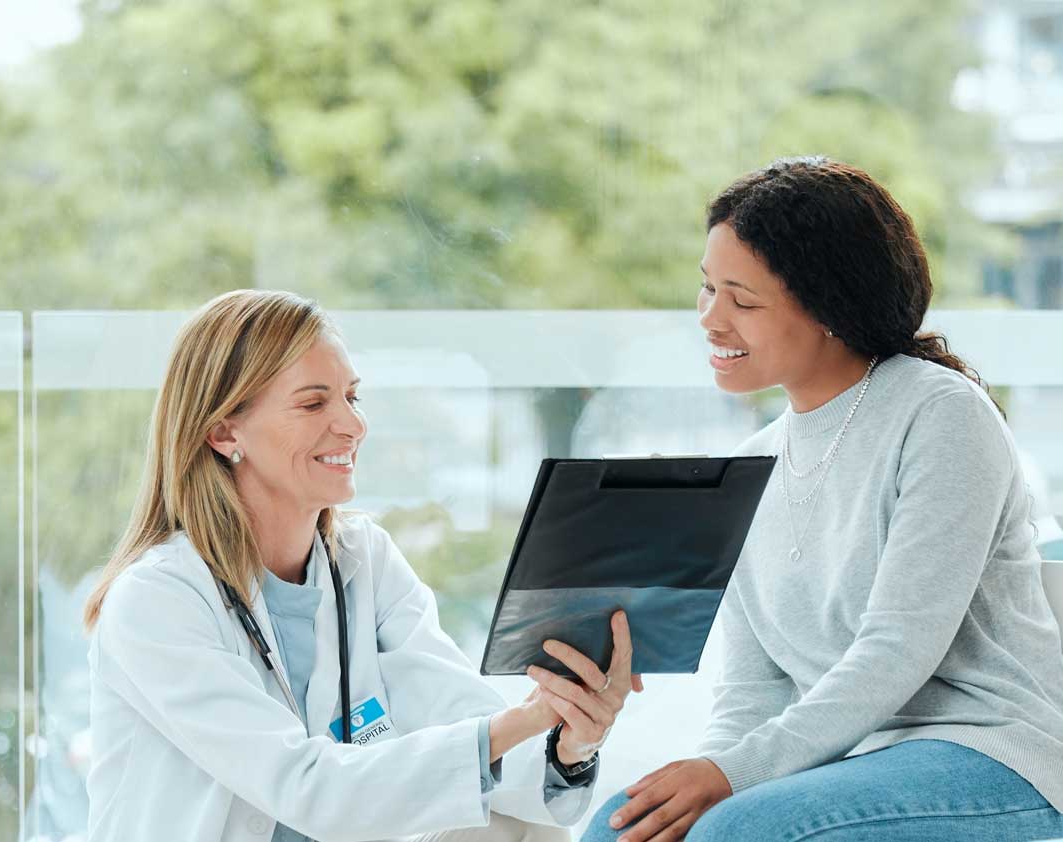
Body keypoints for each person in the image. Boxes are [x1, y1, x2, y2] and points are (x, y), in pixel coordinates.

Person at [582, 157, 1063, 842]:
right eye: (707, 290)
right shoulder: (752, 466)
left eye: (743, 301)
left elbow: (898, 649)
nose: (712, 321)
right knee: (621, 829)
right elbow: (755, 689)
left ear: (829, 307)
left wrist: (730, 779)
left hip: (990, 750)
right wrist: (713, 770)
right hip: (846, 758)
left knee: (736, 831)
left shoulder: (941, 415)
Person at [83, 290, 641, 842]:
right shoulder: (157, 601)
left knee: (519, 826)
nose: (352, 426)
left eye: (352, 397)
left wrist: (569, 739)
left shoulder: (362, 559)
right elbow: (306, 788)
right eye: (313, 403)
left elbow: (458, 715)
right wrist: (530, 718)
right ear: (225, 431)